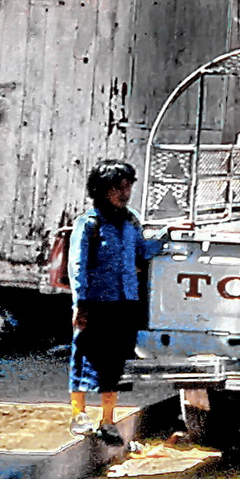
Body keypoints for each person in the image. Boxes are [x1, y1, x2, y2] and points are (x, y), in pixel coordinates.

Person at [69, 159, 162, 445]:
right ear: (101, 189)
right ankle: (79, 416)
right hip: (96, 303)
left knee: (115, 361)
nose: (124, 193)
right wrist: (80, 304)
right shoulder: (89, 224)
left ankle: (108, 421)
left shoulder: (131, 220)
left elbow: (142, 251)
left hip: (126, 302)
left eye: (127, 187)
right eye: (117, 188)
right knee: (86, 355)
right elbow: (78, 266)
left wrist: (166, 237)